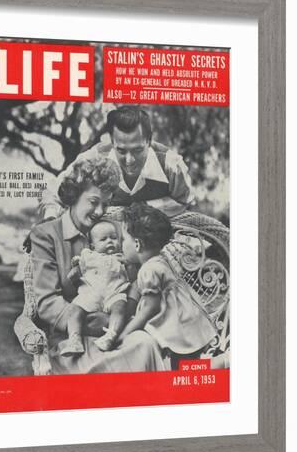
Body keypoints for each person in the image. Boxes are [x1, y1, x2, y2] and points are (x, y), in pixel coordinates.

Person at [31, 156, 169, 375]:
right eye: (94, 202)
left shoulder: (116, 230)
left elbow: (135, 277)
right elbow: (47, 301)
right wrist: (91, 323)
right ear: (75, 195)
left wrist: (120, 317)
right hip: (72, 340)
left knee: (145, 343)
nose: (99, 212)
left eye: (106, 204)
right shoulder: (47, 235)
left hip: (116, 327)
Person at [40, 105, 194, 219]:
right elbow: (54, 191)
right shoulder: (95, 157)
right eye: (121, 150)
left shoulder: (171, 164)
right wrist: (50, 219)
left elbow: (185, 204)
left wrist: (141, 209)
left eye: (137, 150)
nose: (129, 161)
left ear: (149, 141)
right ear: (112, 141)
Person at [119, 202, 217, 354]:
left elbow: (150, 308)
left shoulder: (148, 270)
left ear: (137, 244)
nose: (121, 244)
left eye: (123, 239)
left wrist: (125, 333)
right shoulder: (161, 260)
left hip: (177, 328)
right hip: (191, 322)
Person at [60, 219, 130, 356]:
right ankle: (74, 339)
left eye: (114, 238)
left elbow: (131, 278)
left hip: (114, 294)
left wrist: (128, 264)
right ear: (92, 245)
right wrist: (75, 269)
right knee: (74, 309)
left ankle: (111, 336)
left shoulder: (122, 257)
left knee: (121, 307)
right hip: (90, 294)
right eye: (103, 239)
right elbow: (74, 274)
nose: (110, 241)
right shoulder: (88, 256)